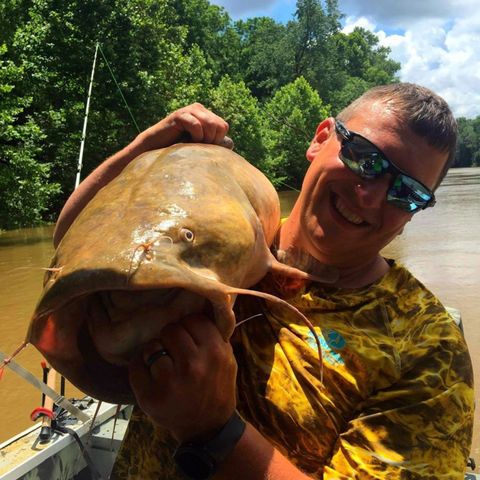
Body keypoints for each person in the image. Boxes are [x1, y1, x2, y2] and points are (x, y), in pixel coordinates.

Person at [54, 83, 474, 479]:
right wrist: (145, 147)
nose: (371, 196)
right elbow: (73, 249)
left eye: (407, 192)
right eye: (365, 158)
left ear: (416, 211)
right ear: (321, 138)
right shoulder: (219, 230)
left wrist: (214, 431)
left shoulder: (425, 346)